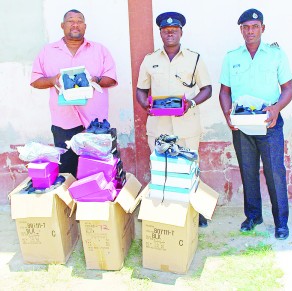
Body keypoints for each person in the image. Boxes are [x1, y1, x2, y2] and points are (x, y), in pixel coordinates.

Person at [219, 8, 292, 240]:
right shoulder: (232, 57)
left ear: (263, 28)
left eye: (254, 26)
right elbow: (224, 91)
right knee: (248, 172)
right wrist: (227, 113)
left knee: (275, 173)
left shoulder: (276, 55)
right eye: (246, 27)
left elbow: (288, 90)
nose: (250, 31)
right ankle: (253, 216)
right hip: (242, 124)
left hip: (269, 122)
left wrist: (276, 109)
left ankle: (281, 222)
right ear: (241, 30)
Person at [136, 12, 212, 227]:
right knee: (162, 169)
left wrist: (192, 103)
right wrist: (145, 105)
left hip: (187, 124)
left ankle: (197, 211)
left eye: (174, 30)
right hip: (159, 126)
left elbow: (207, 89)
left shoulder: (194, 58)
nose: (170, 32)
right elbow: (141, 90)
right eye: (165, 30)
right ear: (160, 33)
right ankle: (164, 211)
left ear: (181, 32)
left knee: (190, 167)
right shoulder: (150, 60)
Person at [30, 9, 117, 177]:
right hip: (63, 123)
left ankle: (94, 203)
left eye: (79, 21)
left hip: (95, 124)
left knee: (97, 173)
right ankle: (70, 203)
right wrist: (52, 81)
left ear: (85, 26)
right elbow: (35, 80)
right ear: (62, 26)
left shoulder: (100, 50)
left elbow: (111, 79)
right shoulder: (47, 52)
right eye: (70, 21)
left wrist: (95, 80)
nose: (75, 24)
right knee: (67, 172)